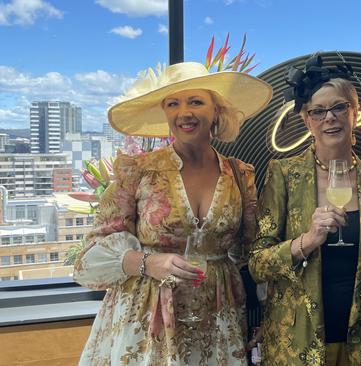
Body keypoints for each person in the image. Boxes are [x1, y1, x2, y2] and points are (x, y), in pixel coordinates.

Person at [74, 61, 272, 365]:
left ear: (216, 110)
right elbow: (87, 260)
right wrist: (148, 262)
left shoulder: (239, 174)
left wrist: (267, 311)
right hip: (147, 317)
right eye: (173, 103)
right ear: (165, 112)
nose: (185, 112)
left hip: (218, 320)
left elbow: (250, 252)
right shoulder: (138, 171)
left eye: (196, 101)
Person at [249, 55, 361, 366]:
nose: (330, 117)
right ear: (306, 120)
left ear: (354, 113)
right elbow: (257, 263)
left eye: (339, 107)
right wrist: (308, 241)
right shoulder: (284, 174)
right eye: (318, 111)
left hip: (360, 342)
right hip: (297, 343)